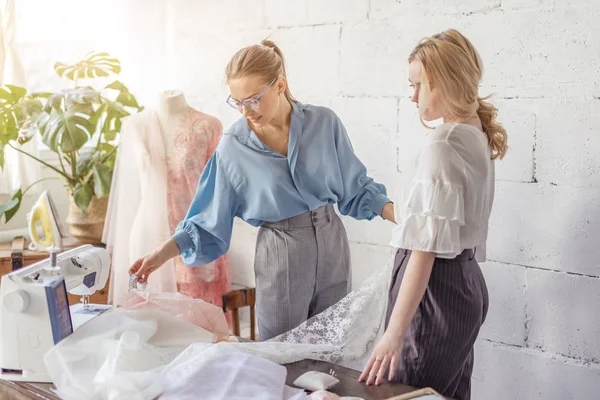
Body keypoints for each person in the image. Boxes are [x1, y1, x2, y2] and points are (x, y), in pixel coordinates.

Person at [129, 40, 395, 341]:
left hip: (333, 241)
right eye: (237, 102)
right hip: (281, 250)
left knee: (334, 348)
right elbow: (205, 218)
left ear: (279, 85)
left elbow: (356, 187)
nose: (246, 111)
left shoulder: (324, 122)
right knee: (280, 354)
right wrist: (161, 254)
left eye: (253, 100)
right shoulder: (233, 146)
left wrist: (405, 219)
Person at [359, 29, 508, 400]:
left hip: (433, 296)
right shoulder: (475, 133)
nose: (412, 96)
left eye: (418, 85)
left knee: (407, 393)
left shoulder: (443, 142)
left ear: (441, 83)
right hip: (465, 284)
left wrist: (393, 334)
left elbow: (424, 253)